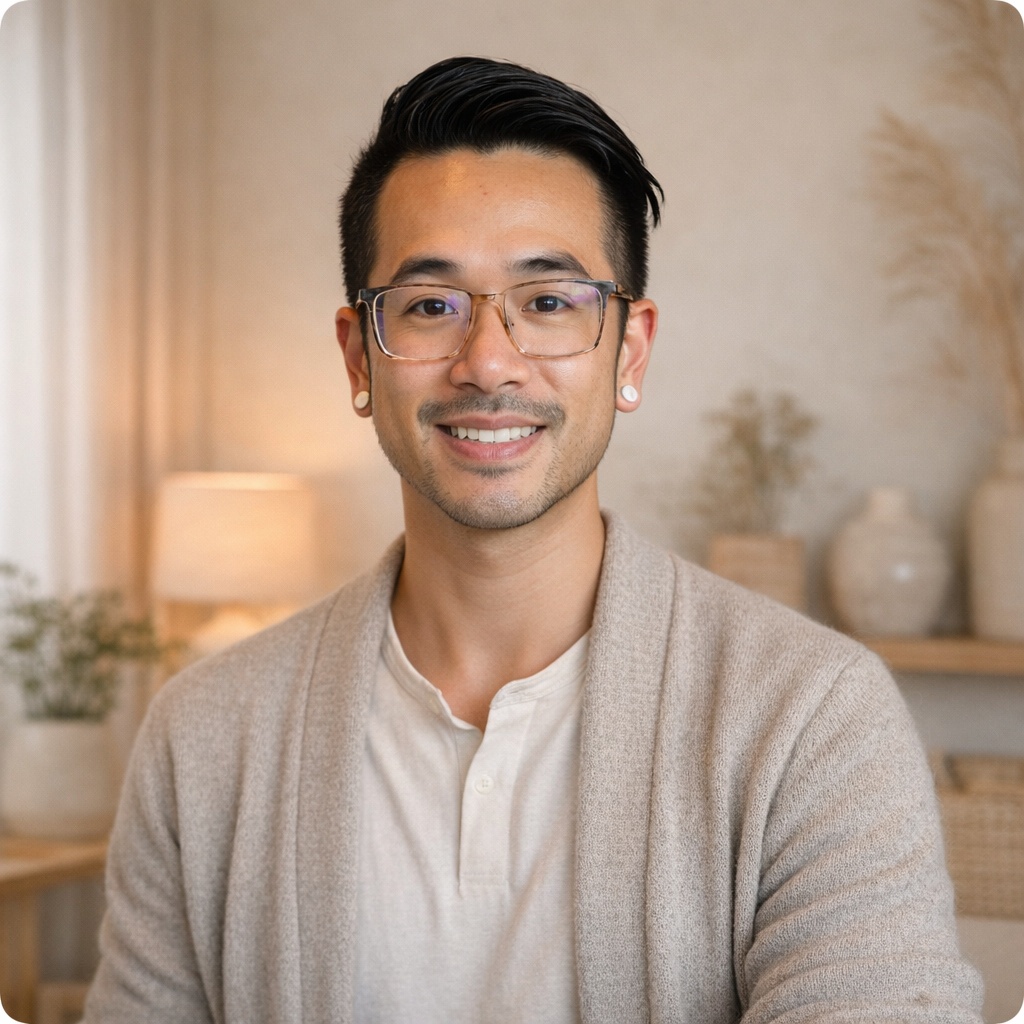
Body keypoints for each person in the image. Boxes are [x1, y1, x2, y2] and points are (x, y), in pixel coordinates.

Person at [83, 57, 983, 1024]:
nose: (489, 362)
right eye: (431, 306)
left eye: (549, 302)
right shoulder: (203, 736)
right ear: (358, 356)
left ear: (628, 352)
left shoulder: (810, 718)